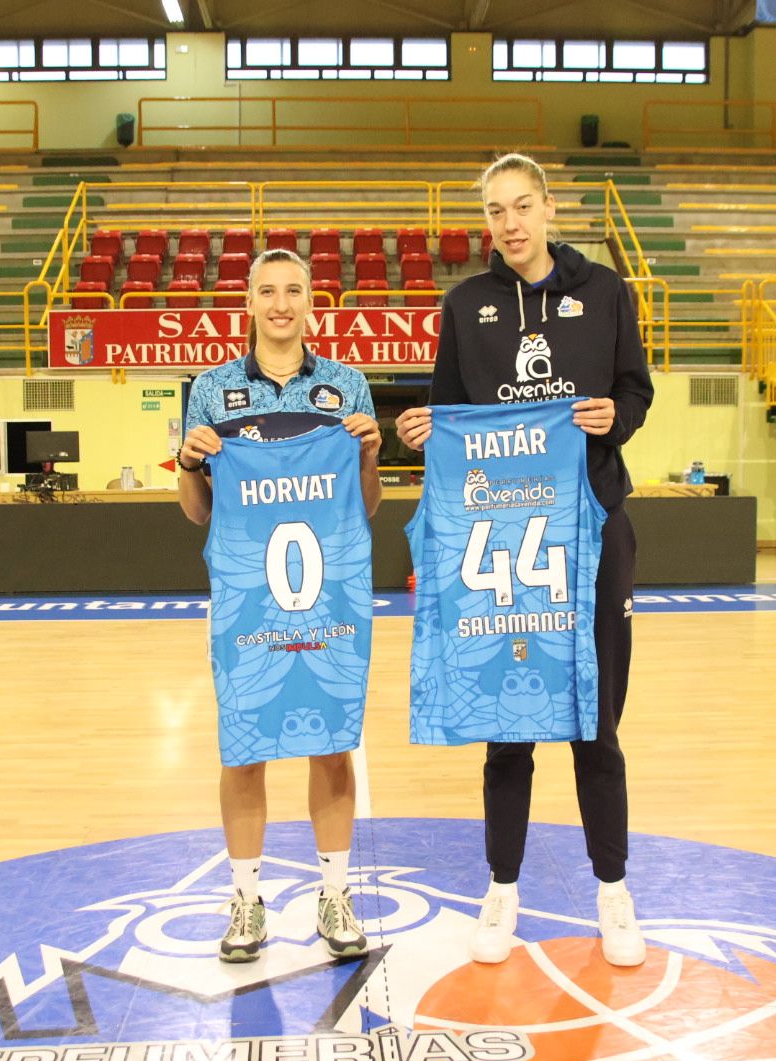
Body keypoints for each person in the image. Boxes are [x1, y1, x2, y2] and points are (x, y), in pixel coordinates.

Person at [394, 152, 654, 967]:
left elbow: (637, 390)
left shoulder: (605, 290)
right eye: (495, 212)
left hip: (592, 531)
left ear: (547, 209)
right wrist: (421, 432)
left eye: (521, 206)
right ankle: (500, 891)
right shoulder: (465, 303)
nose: (509, 223)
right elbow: (444, 409)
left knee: (594, 722)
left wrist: (616, 417)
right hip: (496, 539)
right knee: (506, 726)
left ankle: (613, 894)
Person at [177, 248, 383, 963]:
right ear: (248, 303)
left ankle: (335, 893)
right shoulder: (210, 390)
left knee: (331, 745)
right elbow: (197, 513)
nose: (280, 304)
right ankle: (244, 899)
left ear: (310, 302)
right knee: (246, 751)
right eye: (267, 291)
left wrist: (366, 454)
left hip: (329, 596)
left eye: (294, 291)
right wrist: (188, 462)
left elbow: (368, 507)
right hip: (246, 602)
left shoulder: (347, 386)